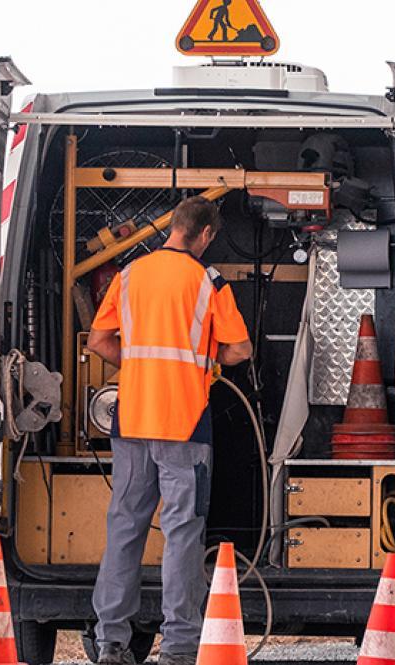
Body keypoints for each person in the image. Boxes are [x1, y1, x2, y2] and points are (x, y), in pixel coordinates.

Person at [85, 196, 253, 665]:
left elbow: (99, 340)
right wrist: (208, 362)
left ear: (173, 227)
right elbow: (240, 349)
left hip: (132, 419)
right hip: (183, 423)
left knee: (125, 526)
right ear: (206, 234)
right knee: (181, 533)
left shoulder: (130, 274)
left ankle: (111, 642)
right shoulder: (208, 281)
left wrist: (139, 366)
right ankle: (178, 646)